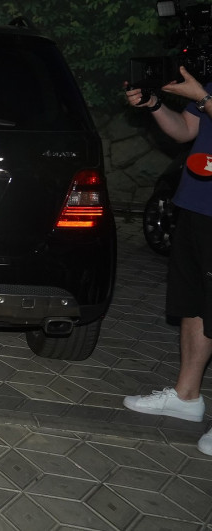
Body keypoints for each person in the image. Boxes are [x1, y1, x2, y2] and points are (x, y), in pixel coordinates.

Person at [123, 65, 212, 457]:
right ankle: (186, 396)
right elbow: (186, 131)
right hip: (197, 204)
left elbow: (204, 106)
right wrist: (155, 105)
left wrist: (203, 98)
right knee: (194, 303)